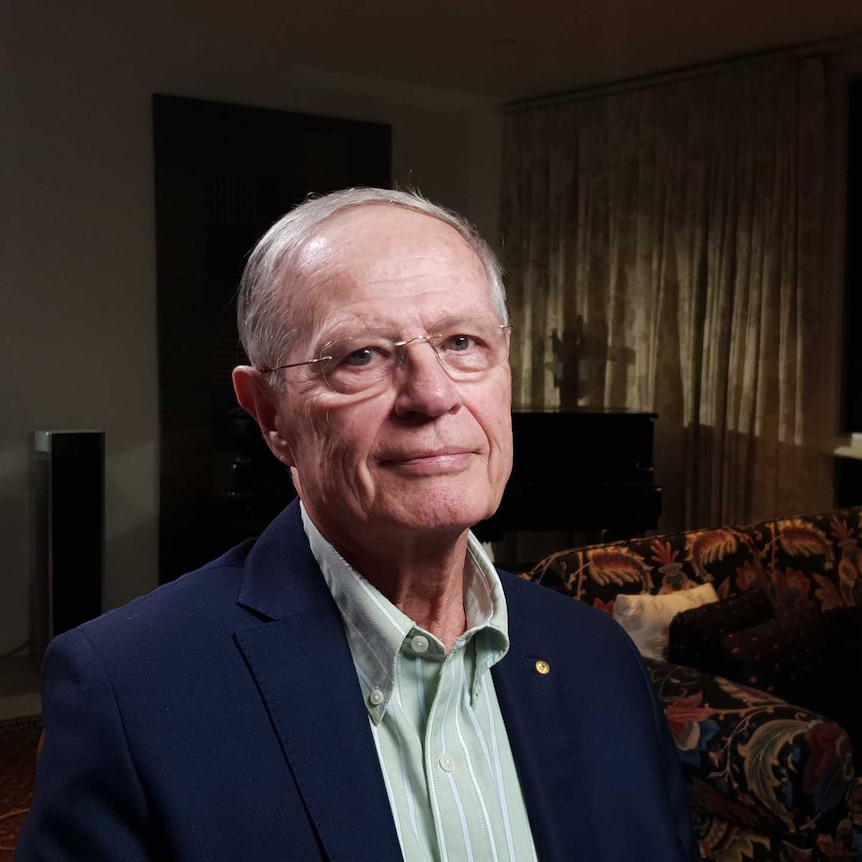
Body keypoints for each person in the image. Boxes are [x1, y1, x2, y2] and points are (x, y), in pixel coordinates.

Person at [17, 187, 698, 861]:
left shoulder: (600, 658)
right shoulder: (128, 689)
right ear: (269, 414)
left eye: (462, 341)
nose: (433, 395)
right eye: (361, 356)